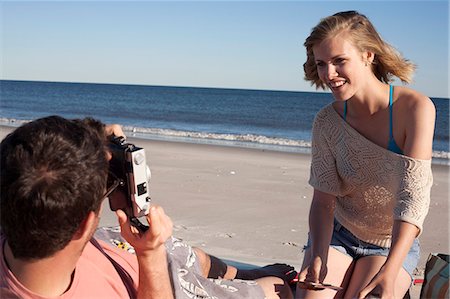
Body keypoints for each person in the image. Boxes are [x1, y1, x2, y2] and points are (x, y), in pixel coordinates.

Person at [0, 116, 295, 299]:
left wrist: (92, 139)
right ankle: (244, 278)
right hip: (158, 284)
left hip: (121, 252)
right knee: (275, 287)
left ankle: (235, 272)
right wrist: (150, 255)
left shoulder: (19, 213)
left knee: (181, 251)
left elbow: (32, 163)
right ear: (82, 227)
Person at [296, 11, 435, 299]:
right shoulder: (326, 122)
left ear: (368, 55)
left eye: (339, 61)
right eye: (321, 64)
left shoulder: (415, 109)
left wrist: (392, 269)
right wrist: (318, 255)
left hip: (391, 243)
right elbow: (323, 202)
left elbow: (414, 199)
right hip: (337, 236)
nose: (328, 74)